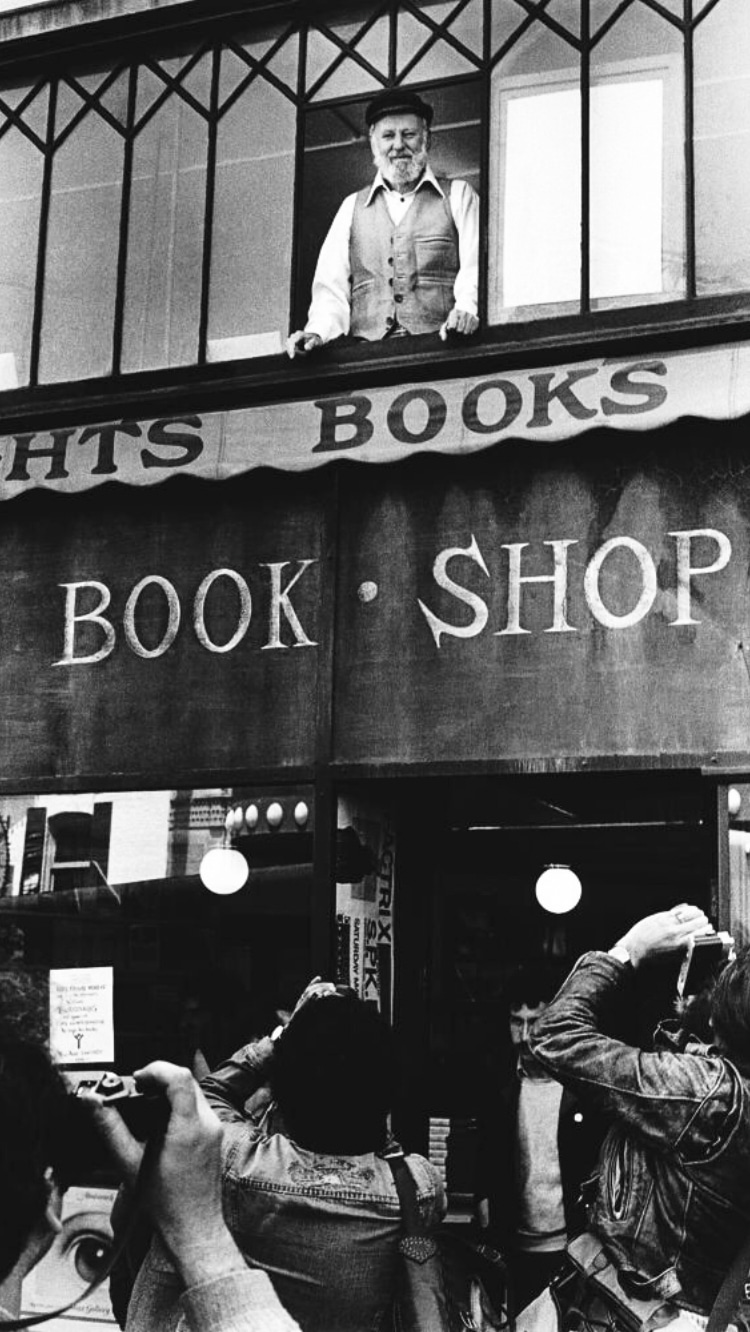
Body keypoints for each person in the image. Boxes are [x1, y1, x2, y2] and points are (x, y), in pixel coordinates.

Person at [171, 978, 442, 1331]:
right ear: (386, 1087)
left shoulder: (243, 1164)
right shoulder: (418, 1185)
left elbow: (209, 1095)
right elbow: (385, 1141)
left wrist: (281, 1039)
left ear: (286, 1089)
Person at [526, 903, 750, 1325]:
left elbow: (556, 1036)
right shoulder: (724, 1094)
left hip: (628, 1312)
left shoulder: (708, 1094)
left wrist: (627, 950)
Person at [287, 87, 479, 357]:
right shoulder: (351, 207)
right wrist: (317, 332)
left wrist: (467, 311)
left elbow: (476, 269)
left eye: (409, 134)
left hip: (440, 351)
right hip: (370, 358)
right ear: (373, 141)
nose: (398, 145)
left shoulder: (459, 195)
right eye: (388, 135)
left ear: (427, 138)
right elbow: (331, 289)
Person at [475, 966, 607, 1315]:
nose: (525, 1034)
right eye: (516, 1022)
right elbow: (485, 1162)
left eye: (535, 1021)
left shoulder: (581, 1090)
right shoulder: (499, 1089)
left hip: (574, 1245)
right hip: (515, 1246)